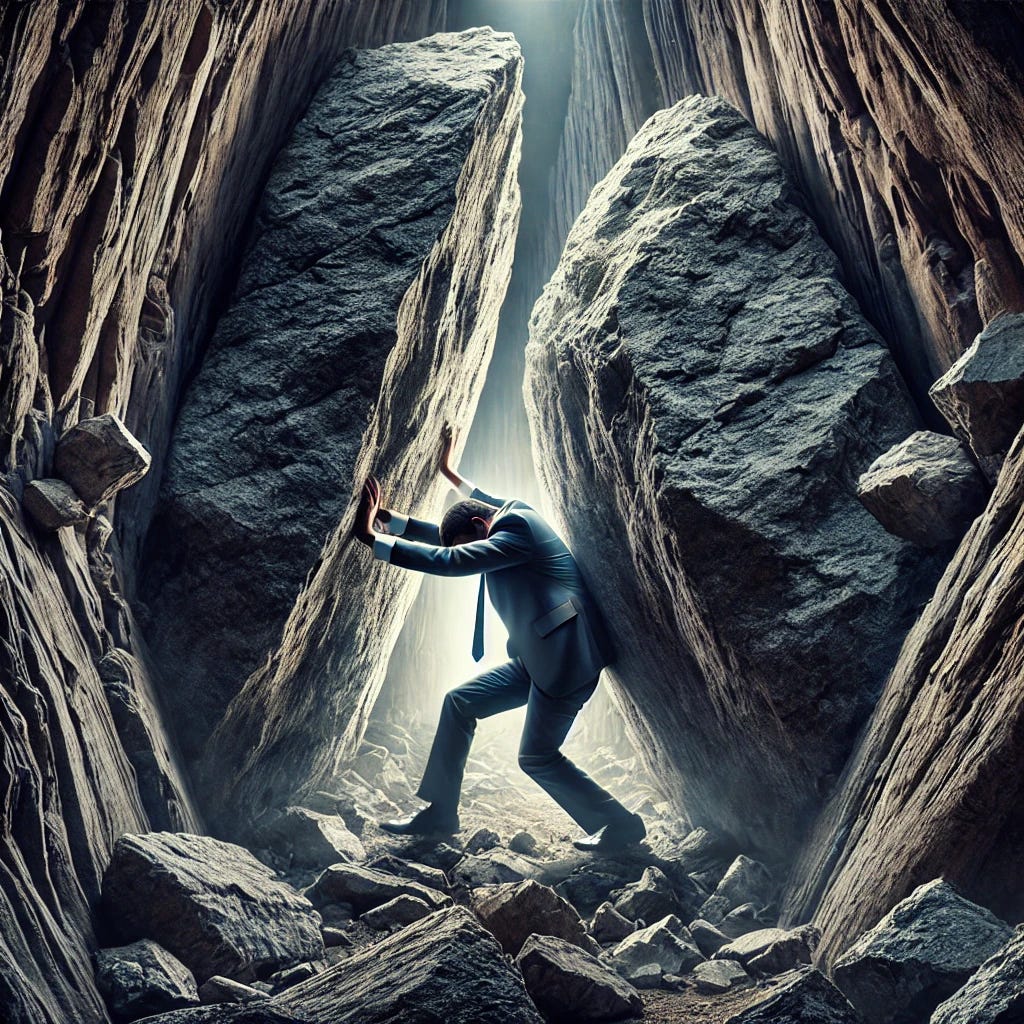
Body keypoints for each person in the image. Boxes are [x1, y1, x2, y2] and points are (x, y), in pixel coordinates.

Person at [352, 426, 646, 852]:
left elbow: (453, 558)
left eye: (473, 542)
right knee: (459, 702)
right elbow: (454, 531)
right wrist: (406, 509)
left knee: (536, 757)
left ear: (480, 526)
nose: (477, 559)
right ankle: (440, 814)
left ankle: (620, 825)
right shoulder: (504, 516)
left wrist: (373, 542)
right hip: (536, 657)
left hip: (566, 662)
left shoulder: (516, 532)